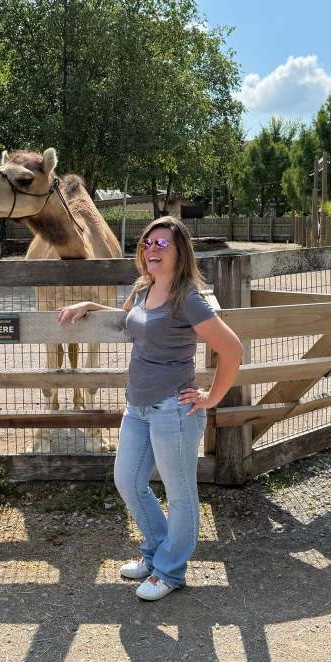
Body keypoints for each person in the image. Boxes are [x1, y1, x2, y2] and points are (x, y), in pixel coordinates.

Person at [58, 216, 243, 601]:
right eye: (147, 243)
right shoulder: (144, 288)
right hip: (138, 407)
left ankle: (170, 571)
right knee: (128, 481)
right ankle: (158, 553)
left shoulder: (187, 298)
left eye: (162, 244)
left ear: (180, 252)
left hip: (173, 410)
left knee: (180, 495)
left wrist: (211, 397)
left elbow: (232, 350)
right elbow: (128, 321)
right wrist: (89, 305)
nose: (151, 249)